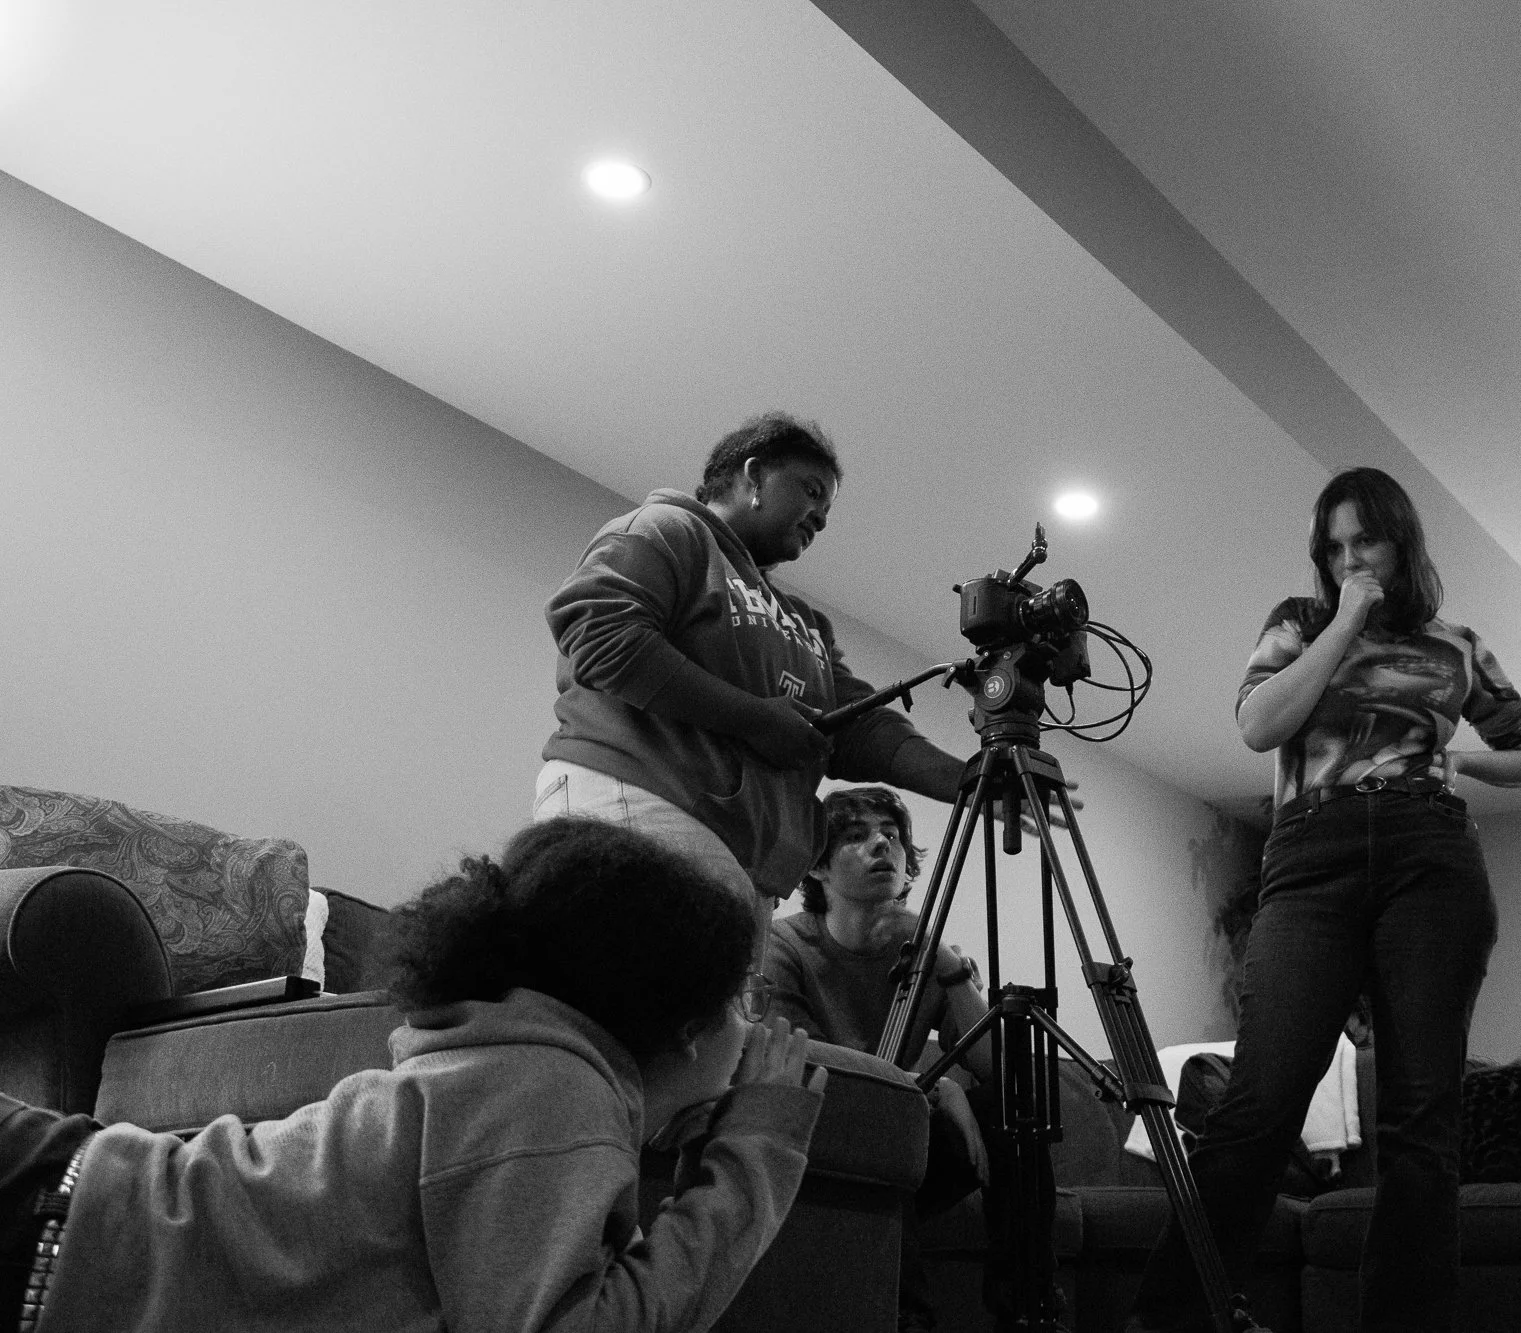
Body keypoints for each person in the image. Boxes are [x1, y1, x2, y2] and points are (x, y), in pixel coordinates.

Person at [0, 816, 826, 1332]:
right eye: (738, 1003)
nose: (749, 1028)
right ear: (683, 1026)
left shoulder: (504, 1063)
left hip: (69, 1204)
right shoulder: (553, 1093)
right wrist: (757, 1147)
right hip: (59, 1227)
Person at [1127, 466, 1521, 1333]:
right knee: (1259, 1104)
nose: (1350, 556)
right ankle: (1170, 1320)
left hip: (1429, 854)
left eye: (1366, 540)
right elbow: (1258, 725)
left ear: (1403, 540)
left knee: (1422, 1119)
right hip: (1312, 858)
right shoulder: (1299, 624)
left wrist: (1463, 761)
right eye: (1335, 545)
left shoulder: (1456, 645)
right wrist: (1347, 619)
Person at [534, 410, 967, 953]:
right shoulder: (669, 529)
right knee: (629, 1024)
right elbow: (602, 635)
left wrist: (969, 780)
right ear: (755, 475)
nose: (822, 518)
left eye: (828, 506)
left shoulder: (807, 624)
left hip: (738, 862)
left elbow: (855, 725)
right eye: (812, 491)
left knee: (695, 1037)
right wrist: (755, 717)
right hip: (644, 809)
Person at [764, 785, 993, 1333]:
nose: (881, 846)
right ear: (817, 867)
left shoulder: (925, 951)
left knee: (1012, 1114)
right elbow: (816, 1069)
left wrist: (950, 967)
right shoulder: (785, 947)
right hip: (817, 1131)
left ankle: (1023, 1307)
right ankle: (904, 1319)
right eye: (856, 836)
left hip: (910, 1138)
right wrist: (937, 1088)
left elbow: (994, 1067)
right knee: (880, 1131)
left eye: (891, 836)